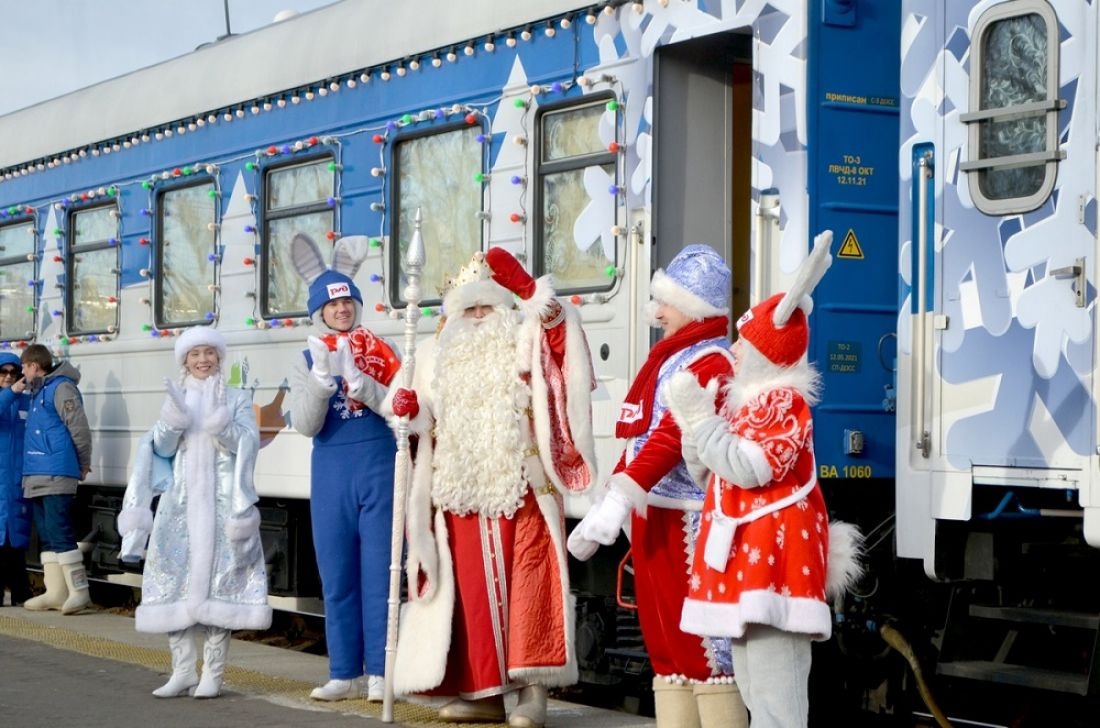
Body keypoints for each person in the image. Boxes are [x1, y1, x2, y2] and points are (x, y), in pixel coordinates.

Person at [388, 248, 596, 728]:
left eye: (487, 306)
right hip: (460, 489)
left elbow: (561, 337)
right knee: (473, 601)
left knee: (529, 593)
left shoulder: (525, 339)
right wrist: (405, 409)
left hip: (521, 486)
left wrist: (533, 294)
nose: (479, 316)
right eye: (470, 308)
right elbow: (423, 416)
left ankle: (532, 694)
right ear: (456, 314)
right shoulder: (438, 353)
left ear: (504, 307)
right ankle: (482, 693)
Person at [665, 231, 862, 728]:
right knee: (755, 689)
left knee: (778, 696)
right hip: (747, 567)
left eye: (743, 341)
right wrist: (696, 426)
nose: (732, 348)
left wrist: (704, 423)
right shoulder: (747, 405)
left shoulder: (784, 403)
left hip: (776, 566)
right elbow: (707, 472)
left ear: (765, 352)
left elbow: (749, 468)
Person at [567, 244, 748, 728]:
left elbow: (670, 438)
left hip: (689, 517)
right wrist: (614, 498)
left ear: (692, 308)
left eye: (664, 302)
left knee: (703, 649)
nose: (656, 312)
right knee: (665, 645)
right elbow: (641, 438)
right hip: (656, 513)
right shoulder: (672, 357)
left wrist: (619, 500)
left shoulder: (710, 361)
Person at [117, 326, 272, 699]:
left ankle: (213, 674)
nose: (203, 360)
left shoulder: (236, 397)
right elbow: (162, 450)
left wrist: (224, 425)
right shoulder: (177, 398)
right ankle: (183, 670)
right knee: (174, 581)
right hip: (180, 507)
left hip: (223, 510)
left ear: (219, 357)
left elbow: (249, 443)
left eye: (209, 353)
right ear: (185, 360)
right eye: (195, 354)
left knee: (223, 584)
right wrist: (172, 422)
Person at [287, 233, 400, 703]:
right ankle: (343, 672)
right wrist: (319, 381)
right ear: (319, 312)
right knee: (336, 575)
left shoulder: (382, 348)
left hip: (378, 465)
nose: (342, 311)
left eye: (348, 304)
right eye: (333, 307)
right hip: (331, 472)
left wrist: (365, 384)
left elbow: (402, 408)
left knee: (380, 574)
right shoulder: (305, 357)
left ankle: (380, 671)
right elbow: (306, 426)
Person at [18, 343, 92, 614]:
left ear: (34, 366)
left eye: (24, 367)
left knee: (59, 530)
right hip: (37, 471)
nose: (21, 373)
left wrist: (83, 462)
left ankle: (79, 591)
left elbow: (78, 427)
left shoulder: (61, 388)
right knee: (47, 534)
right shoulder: (39, 392)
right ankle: (56, 592)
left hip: (56, 470)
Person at [0, 353, 32, 606]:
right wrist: (12, 391)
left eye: (14, 372)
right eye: (3, 372)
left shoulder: (27, 401)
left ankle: (21, 593)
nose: (9, 377)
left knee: (17, 539)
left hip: (18, 478)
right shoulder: (9, 398)